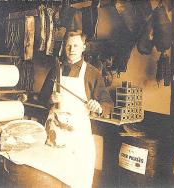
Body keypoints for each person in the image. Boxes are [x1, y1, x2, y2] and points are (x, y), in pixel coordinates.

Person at [38, 30, 114, 188]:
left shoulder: (93, 73)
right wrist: (49, 99)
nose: (72, 49)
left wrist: (98, 107)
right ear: (64, 47)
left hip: (77, 136)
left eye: (76, 45)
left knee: (76, 179)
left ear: (83, 47)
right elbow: (41, 98)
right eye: (68, 45)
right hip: (54, 133)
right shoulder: (55, 70)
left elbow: (107, 104)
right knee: (52, 177)